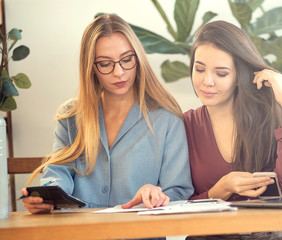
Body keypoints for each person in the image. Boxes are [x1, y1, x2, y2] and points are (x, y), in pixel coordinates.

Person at [21, 14, 193, 221]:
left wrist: (156, 195)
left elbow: (179, 191)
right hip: (79, 231)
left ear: (138, 58)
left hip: (139, 232)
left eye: (127, 59)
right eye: (105, 64)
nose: (119, 72)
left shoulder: (167, 120)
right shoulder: (71, 116)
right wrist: (46, 198)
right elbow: (58, 174)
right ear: (91, 68)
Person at [183, 21, 282, 239]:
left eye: (221, 73)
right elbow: (176, 207)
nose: (207, 81)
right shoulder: (185, 125)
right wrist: (220, 191)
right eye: (199, 69)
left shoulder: (267, 118)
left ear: (238, 76)